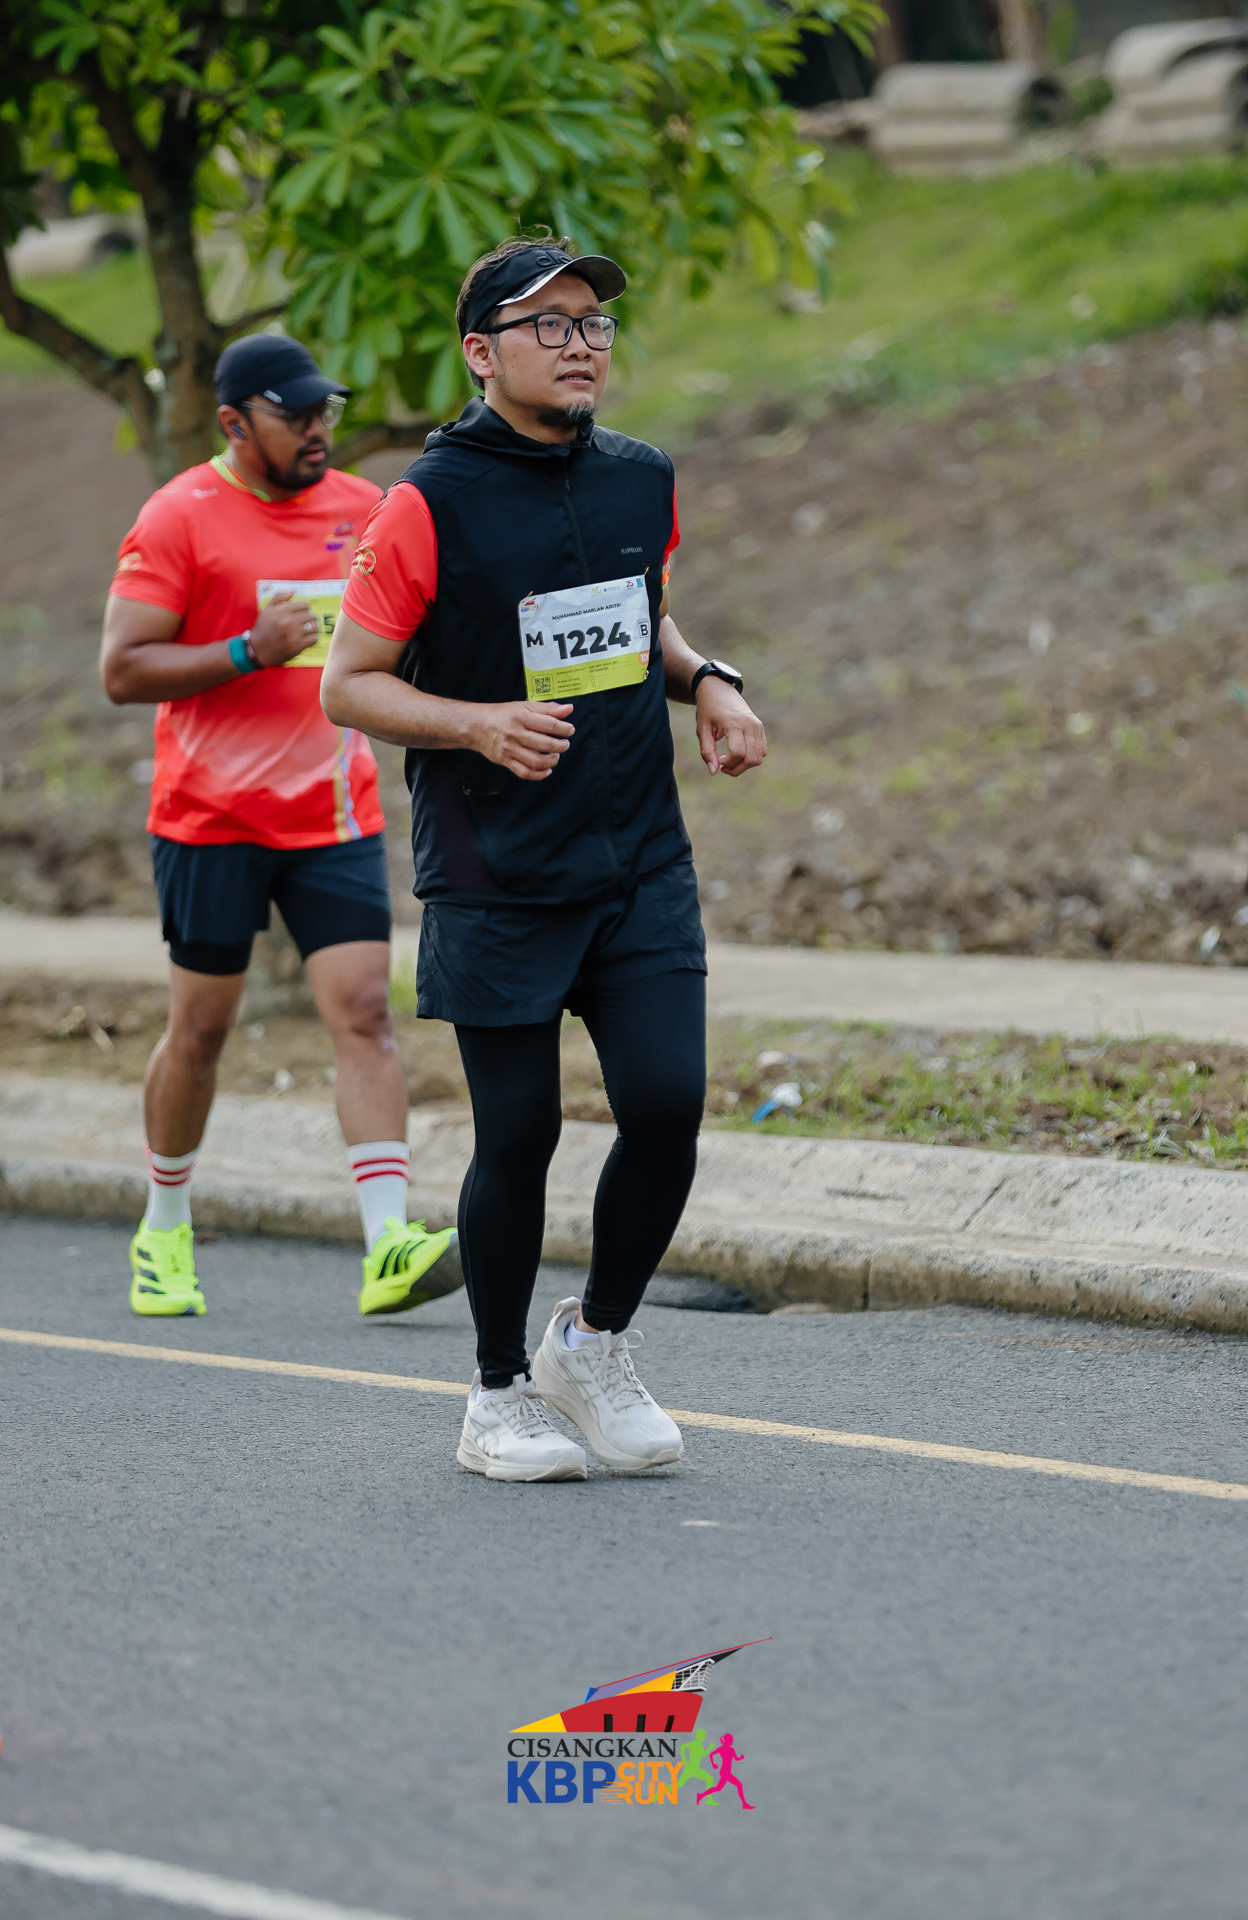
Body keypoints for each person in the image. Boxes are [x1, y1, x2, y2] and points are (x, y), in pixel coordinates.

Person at [321, 237, 767, 1481]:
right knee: (517, 1136)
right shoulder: (426, 504)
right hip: (496, 868)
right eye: (548, 324)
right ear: (481, 353)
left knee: (666, 1108)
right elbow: (348, 683)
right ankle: (495, 1395)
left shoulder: (640, 477)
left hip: (636, 858)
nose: (580, 345)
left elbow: (638, 617)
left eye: (593, 324)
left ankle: (592, 1346)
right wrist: (476, 725)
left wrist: (708, 681)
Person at [100, 332, 462, 1319]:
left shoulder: (362, 508)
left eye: (324, 410)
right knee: (201, 1029)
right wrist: (244, 651)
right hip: (209, 820)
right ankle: (163, 1228)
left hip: (332, 813)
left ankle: (387, 1243)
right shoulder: (179, 515)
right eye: (293, 414)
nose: (317, 428)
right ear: (232, 421)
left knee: (364, 1011)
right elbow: (122, 668)